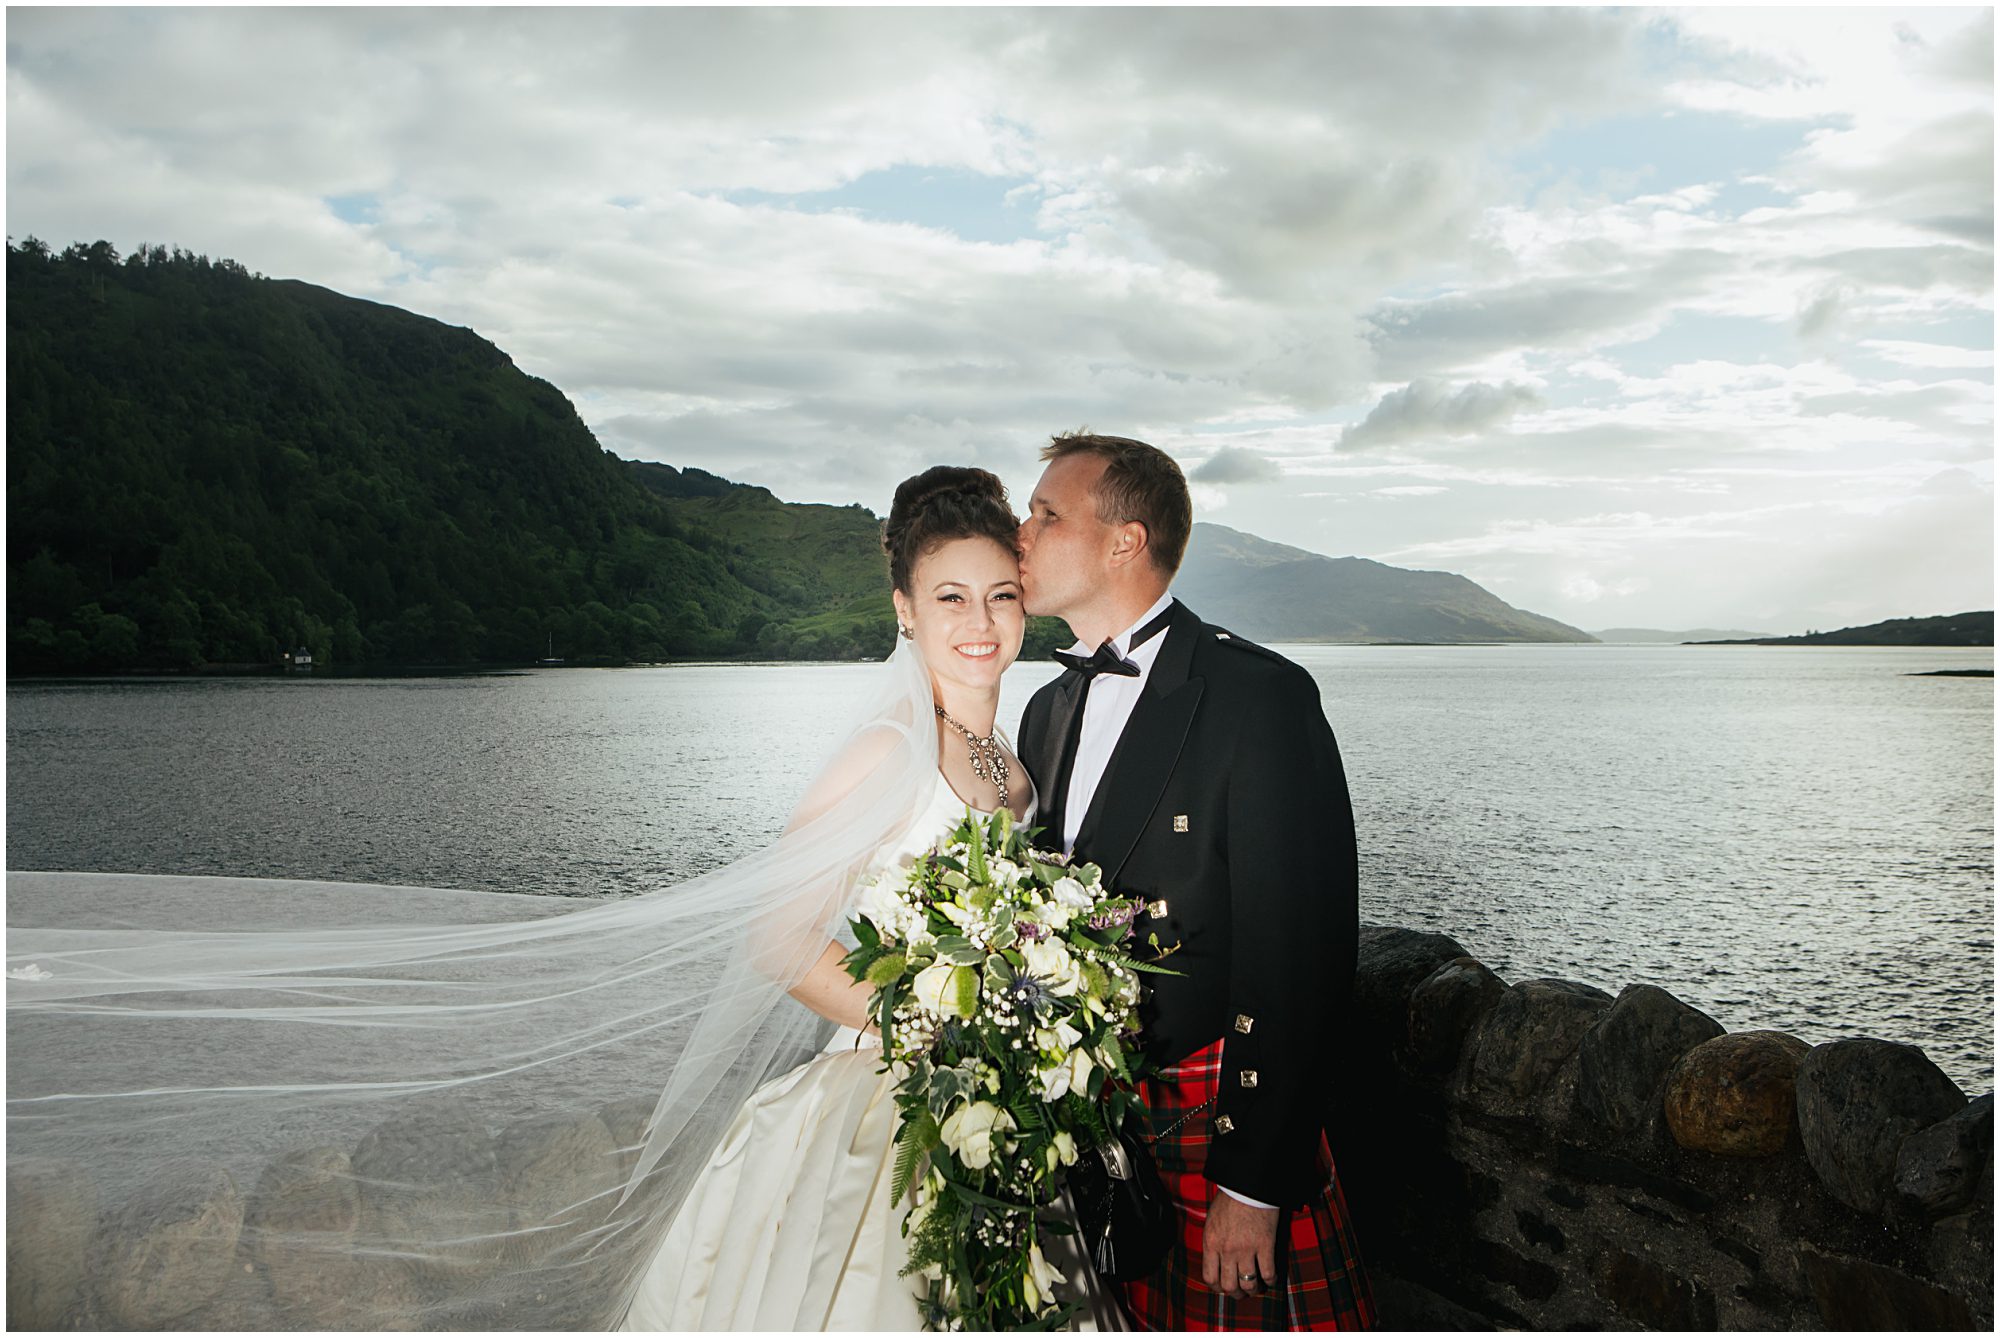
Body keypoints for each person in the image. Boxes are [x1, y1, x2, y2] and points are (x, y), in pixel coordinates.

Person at [4, 466, 1116, 1332]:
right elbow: (778, 938)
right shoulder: (882, 752)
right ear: (903, 608)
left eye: (1001, 596)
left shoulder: (1004, 752)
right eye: (950, 596)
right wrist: (928, 1026)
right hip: (884, 1101)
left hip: (983, 1100)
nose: (980, 622)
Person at [1016, 432, 1378, 1331]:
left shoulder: (1258, 697)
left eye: (1045, 513)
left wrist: (1254, 1182)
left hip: (1212, 1120)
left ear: (1124, 542)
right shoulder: (1043, 711)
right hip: (1098, 1133)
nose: (1020, 533)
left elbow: (1299, 955)